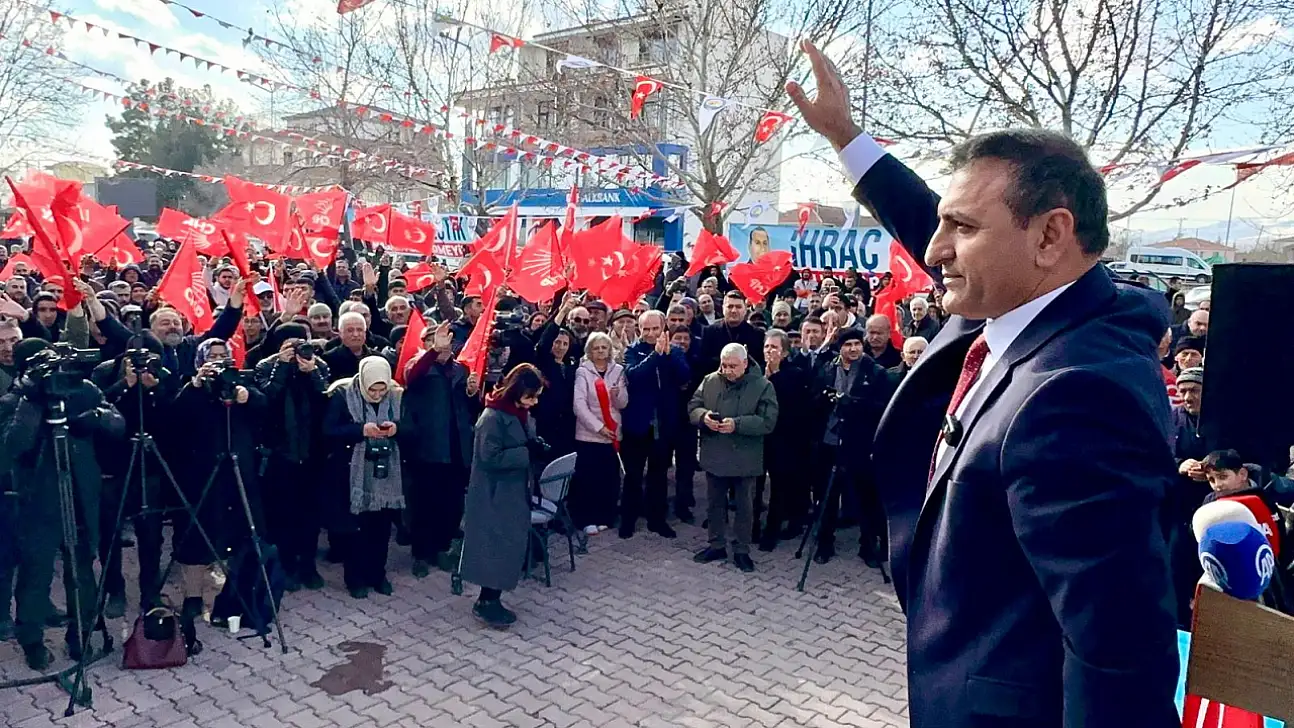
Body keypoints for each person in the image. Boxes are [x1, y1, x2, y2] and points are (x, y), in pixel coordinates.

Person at [790, 39, 1179, 727]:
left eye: (962, 227)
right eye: (944, 223)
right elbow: (930, 220)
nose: (934, 249)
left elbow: (1118, 654)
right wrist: (846, 137)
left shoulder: (1079, 393)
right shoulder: (1028, 297)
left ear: (1051, 236)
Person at [0, 339, 125, 669]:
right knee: (35, 574)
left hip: (82, 495)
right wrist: (32, 402)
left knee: (82, 569)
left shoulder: (79, 389)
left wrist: (97, 416)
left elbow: (118, 424)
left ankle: (80, 634)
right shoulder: (15, 400)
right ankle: (31, 640)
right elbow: (12, 447)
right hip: (37, 502)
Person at [169, 338, 265, 654]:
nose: (219, 361)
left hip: (238, 473)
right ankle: (193, 597)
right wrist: (196, 386)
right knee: (196, 538)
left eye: (224, 356)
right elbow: (175, 419)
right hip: (201, 475)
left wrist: (247, 397)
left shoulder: (241, 381)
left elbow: (265, 410)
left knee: (240, 534)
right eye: (211, 357)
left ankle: (232, 597)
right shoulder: (191, 387)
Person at [459, 363, 548, 628]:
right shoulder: (492, 417)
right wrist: (526, 452)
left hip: (512, 490)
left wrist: (535, 444)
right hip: (493, 493)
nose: (533, 402)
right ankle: (486, 602)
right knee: (494, 547)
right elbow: (489, 456)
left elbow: (523, 439)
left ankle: (493, 598)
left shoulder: (518, 412)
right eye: (530, 396)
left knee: (507, 545)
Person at [253, 323, 332, 591]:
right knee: (281, 515)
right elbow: (265, 400)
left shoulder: (317, 364)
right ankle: (285, 566)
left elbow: (327, 400)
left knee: (310, 514)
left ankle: (308, 566)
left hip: (311, 452)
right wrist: (283, 367)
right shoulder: (266, 366)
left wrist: (312, 374)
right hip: (280, 453)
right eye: (291, 345)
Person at [688, 344, 778, 572]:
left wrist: (738, 424)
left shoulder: (763, 386)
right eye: (724, 365)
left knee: (745, 507)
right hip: (715, 454)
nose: (727, 371)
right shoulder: (710, 380)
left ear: (745, 364)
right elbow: (693, 406)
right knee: (715, 504)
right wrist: (703, 417)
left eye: (733, 366)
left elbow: (768, 421)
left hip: (745, 458)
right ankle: (716, 544)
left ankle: (741, 550)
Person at [400, 322, 479, 577]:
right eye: (434, 340)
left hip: (456, 448)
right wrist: (433, 351)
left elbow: (469, 409)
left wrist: (472, 393)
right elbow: (411, 377)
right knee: (423, 504)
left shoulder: (460, 369)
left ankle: (442, 547)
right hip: (427, 448)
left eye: (447, 339)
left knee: (451, 503)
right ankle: (421, 554)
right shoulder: (418, 366)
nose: (443, 344)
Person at [323, 356, 405, 598]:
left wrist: (396, 429)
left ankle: (378, 575)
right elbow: (328, 430)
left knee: (381, 528)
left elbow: (413, 428)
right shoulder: (342, 395)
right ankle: (355, 579)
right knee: (356, 529)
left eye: (382, 390)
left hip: (385, 474)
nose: (378, 395)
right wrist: (360, 430)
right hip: (352, 473)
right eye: (373, 390)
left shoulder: (397, 395)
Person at [620, 311, 690, 539]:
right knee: (633, 475)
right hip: (637, 424)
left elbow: (684, 376)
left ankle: (657, 520)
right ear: (639, 330)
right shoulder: (632, 351)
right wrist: (655, 356)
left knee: (659, 476)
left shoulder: (674, 350)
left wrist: (667, 356)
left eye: (655, 329)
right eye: (646, 329)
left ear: (663, 328)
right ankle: (628, 520)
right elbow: (634, 376)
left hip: (664, 424)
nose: (650, 333)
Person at [570, 332, 627, 534]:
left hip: (612, 433)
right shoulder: (583, 372)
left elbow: (623, 404)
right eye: (596, 348)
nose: (601, 351)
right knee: (588, 479)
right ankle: (587, 519)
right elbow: (579, 405)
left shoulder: (618, 370)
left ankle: (605, 516)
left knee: (609, 478)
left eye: (604, 347)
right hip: (589, 435)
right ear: (590, 351)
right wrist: (598, 427)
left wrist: (618, 395)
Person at [758, 329, 810, 551]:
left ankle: (773, 530)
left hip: (785, 439)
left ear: (785, 352)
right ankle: (753, 526)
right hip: (760, 438)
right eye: (767, 347)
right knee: (756, 484)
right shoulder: (756, 372)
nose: (769, 351)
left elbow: (790, 403)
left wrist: (774, 375)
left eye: (774, 347)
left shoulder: (795, 374)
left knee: (780, 487)